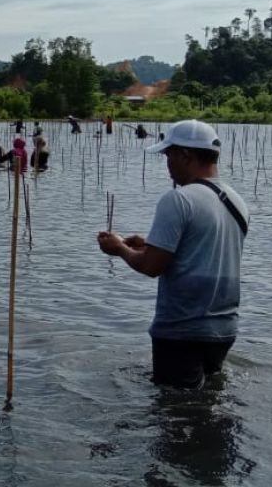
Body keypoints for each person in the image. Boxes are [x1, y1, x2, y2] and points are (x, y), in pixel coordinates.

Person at [97, 119, 247, 389]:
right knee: (206, 407)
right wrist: (150, 242)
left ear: (185, 155)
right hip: (224, 329)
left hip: (182, 329)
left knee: (175, 417)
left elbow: (152, 266)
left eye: (169, 155)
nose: (167, 164)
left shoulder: (178, 199)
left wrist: (119, 248)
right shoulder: (236, 200)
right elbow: (204, 248)